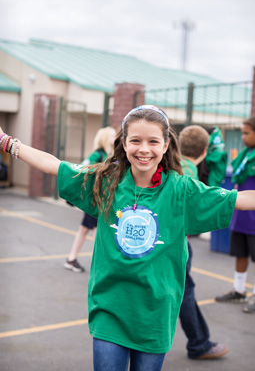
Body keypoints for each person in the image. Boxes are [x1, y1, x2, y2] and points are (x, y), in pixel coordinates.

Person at [1, 105, 255, 371]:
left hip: (155, 314)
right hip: (110, 308)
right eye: (135, 140)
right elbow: (55, 165)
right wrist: (6, 142)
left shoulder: (182, 190)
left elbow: (240, 199)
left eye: (153, 141)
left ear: (166, 145)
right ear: (123, 143)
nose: (144, 149)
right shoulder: (105, 181)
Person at [179, 125, 229, 359]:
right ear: (205, 150)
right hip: (177, 243)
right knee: (184, 293)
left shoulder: (171, 167)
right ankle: (199, 343)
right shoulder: (190, 175)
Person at [215, 117, 255, 314]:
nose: (243, 137)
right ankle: (239, 290)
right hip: (242, 216)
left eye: (247, 133)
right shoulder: (246, 154)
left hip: (254, 217)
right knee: (240, 252)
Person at [64, 126, 116, 273]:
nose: (115, 137)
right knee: (98, 232)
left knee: (84, 229)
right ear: (105, 138)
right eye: (112, 135)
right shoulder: (98, 155)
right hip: (95, 199)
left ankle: (71, 259)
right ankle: (100, 266)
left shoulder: (110, 155)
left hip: (101, 198)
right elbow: (81, 168)